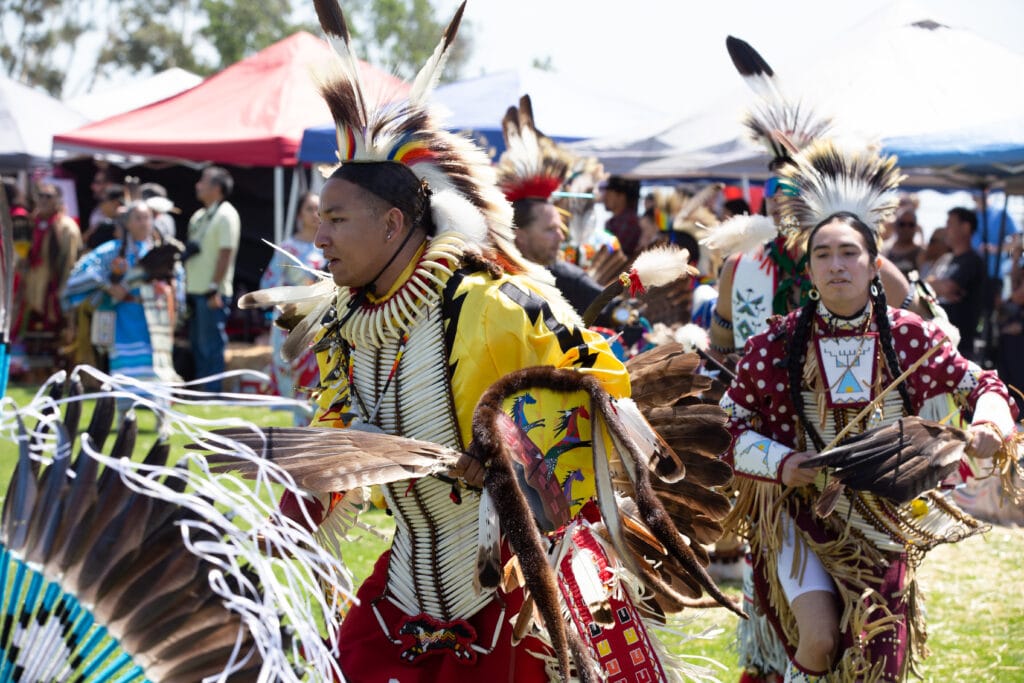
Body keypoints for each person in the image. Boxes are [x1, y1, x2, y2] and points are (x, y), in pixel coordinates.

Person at [241, 5, 736, 680]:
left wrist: (512, 467)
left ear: (392, 224)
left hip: (514, 587)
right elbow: (338, 430)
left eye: (336, 217)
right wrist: (294, 509)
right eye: (317, 218)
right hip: (407, 589)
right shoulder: (346, 326)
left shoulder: (492, 307)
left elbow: (600, 381)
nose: (319, 235)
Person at [720, 141, 1017, 682]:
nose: (837, 266)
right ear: (808, 268)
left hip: (879, 517)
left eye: (849, 253)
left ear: (874, 263)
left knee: (879, 651)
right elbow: (731, 426)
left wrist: (990, 424)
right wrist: (784, 463)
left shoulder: (910, 338)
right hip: (797, 510)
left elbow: (983, 384)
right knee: (820, 637)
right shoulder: (775, 344)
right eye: (823, 255)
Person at [62, 200, 184, 407]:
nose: (144, 223)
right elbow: (81, 274)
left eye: (147, 218)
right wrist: (108, 286)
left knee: (158, 367)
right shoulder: (112, 251)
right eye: (138, 218)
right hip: (123, 319)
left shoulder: (160, 251)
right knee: (126, 371)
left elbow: (178, 279)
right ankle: (125, 419)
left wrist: (169, 290)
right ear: (127, 223)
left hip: (155, 320)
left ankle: (162, 422)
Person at [495, 95, 604, 318]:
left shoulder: (569, 280)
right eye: (549, 229)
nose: (561, 236)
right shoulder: (490, 280)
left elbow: (621, 316)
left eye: (558, 227)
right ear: (520, 237)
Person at [258, 191, 326, 424]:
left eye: (319, 209)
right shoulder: (287, 248)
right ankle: (300, 425)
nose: (315, 215)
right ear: (299, 213)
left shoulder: (327, 247)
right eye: (309, 209)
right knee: (293, 377)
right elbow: (267, 283)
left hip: (320, 323)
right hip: (290, 324)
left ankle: (314, 424)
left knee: (319, 374)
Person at [10, 182, 82, 379]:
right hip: (29, 288)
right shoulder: (28, 224)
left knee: (57, 332)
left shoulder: (66, 227)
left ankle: (57, 373)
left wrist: (63, 290)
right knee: (29, 331)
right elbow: (18, 255)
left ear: (58, 200)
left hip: (53, 290)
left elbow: (70, 263)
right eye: (40, 196)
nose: (43, 200)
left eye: (48, 196)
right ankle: (27, 372)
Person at [184, 165, 240, 392]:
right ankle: (201, 390)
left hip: (212, 291)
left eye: (203, 181)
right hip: (195, 289)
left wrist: (214, 286)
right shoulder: (199, 216)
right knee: (197, 344)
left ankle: (212, 392)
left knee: (211, 345)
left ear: (217, 188)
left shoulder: (227, 214)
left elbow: (226, 253)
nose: (198, 185)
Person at [928, 207, 986, 359]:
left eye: (950, 224)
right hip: (939, 339)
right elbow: (925, 284)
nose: (946, 229)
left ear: (965, 227)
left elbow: (949, 287)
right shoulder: (947, 259)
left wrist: (936, 286)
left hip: (961, 345)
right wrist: (936, 286)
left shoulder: (972, 260)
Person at [602, 175, 642, 257]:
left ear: (621, 197)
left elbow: (614, 253)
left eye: (609, 193)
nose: (604, 197)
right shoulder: (613, 221)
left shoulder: (630, 222)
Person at [82, 183, 126, 250]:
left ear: (115, 203)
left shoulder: (109, 225)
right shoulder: (104, 223)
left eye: (103, 201)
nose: (100, 206)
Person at [883, 208, 923, 279]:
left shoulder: (921, 253)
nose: (906, 228)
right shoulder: (885, 250)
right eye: (902, 224)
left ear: (916, 227)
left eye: (911, 225)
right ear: (895, 226)